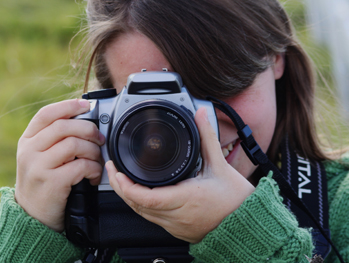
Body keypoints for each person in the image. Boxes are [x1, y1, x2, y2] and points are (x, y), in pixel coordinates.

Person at [0, 0, 348, 262]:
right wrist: (28, 235)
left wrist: (251, 234)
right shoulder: (68, 217)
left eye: (216, 88)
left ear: (275, 58)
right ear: (107, 108)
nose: (198, 130)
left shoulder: (340, 207)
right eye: (154, 105)